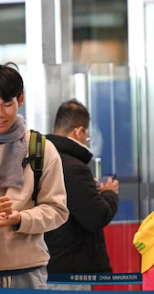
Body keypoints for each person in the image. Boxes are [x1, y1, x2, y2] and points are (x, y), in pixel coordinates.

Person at [0, 63, 69, 289]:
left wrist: (19, 218)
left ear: (20, 99)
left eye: (7, 104)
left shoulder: (42, 149)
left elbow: (58, 210)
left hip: (28, 271)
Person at [44, 100, 119, 290]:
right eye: (87, 135)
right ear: (79, 132)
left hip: (48, 265)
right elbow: (96, 216)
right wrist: (109, 194)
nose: (86, 141)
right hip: (70, 274)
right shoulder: (73, 167)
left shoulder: (44, 160)